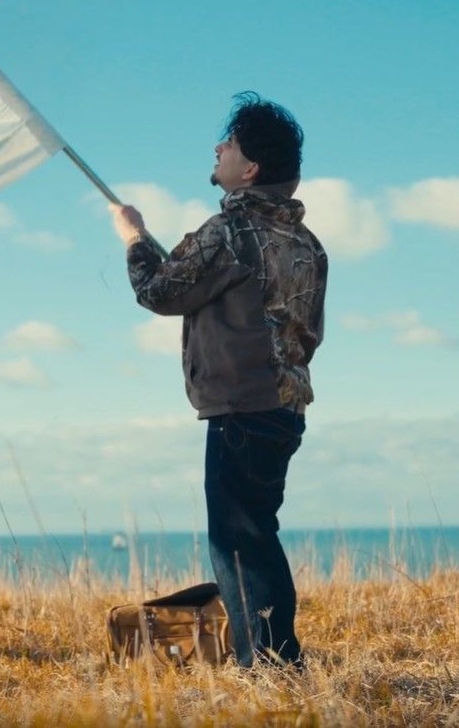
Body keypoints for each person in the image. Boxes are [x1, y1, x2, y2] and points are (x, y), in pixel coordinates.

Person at [109, 92, 327, 669]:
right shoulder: (307, 244)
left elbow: (160, 292)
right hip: (286, 409)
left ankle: (273, 667)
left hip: (240, 409)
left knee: (238, 545)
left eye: (227, 143)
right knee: (257, 535)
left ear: (249, 168)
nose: (218, 147)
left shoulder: (229, 231)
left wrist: (132, 236)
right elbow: (304, 330)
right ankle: (274, 658)